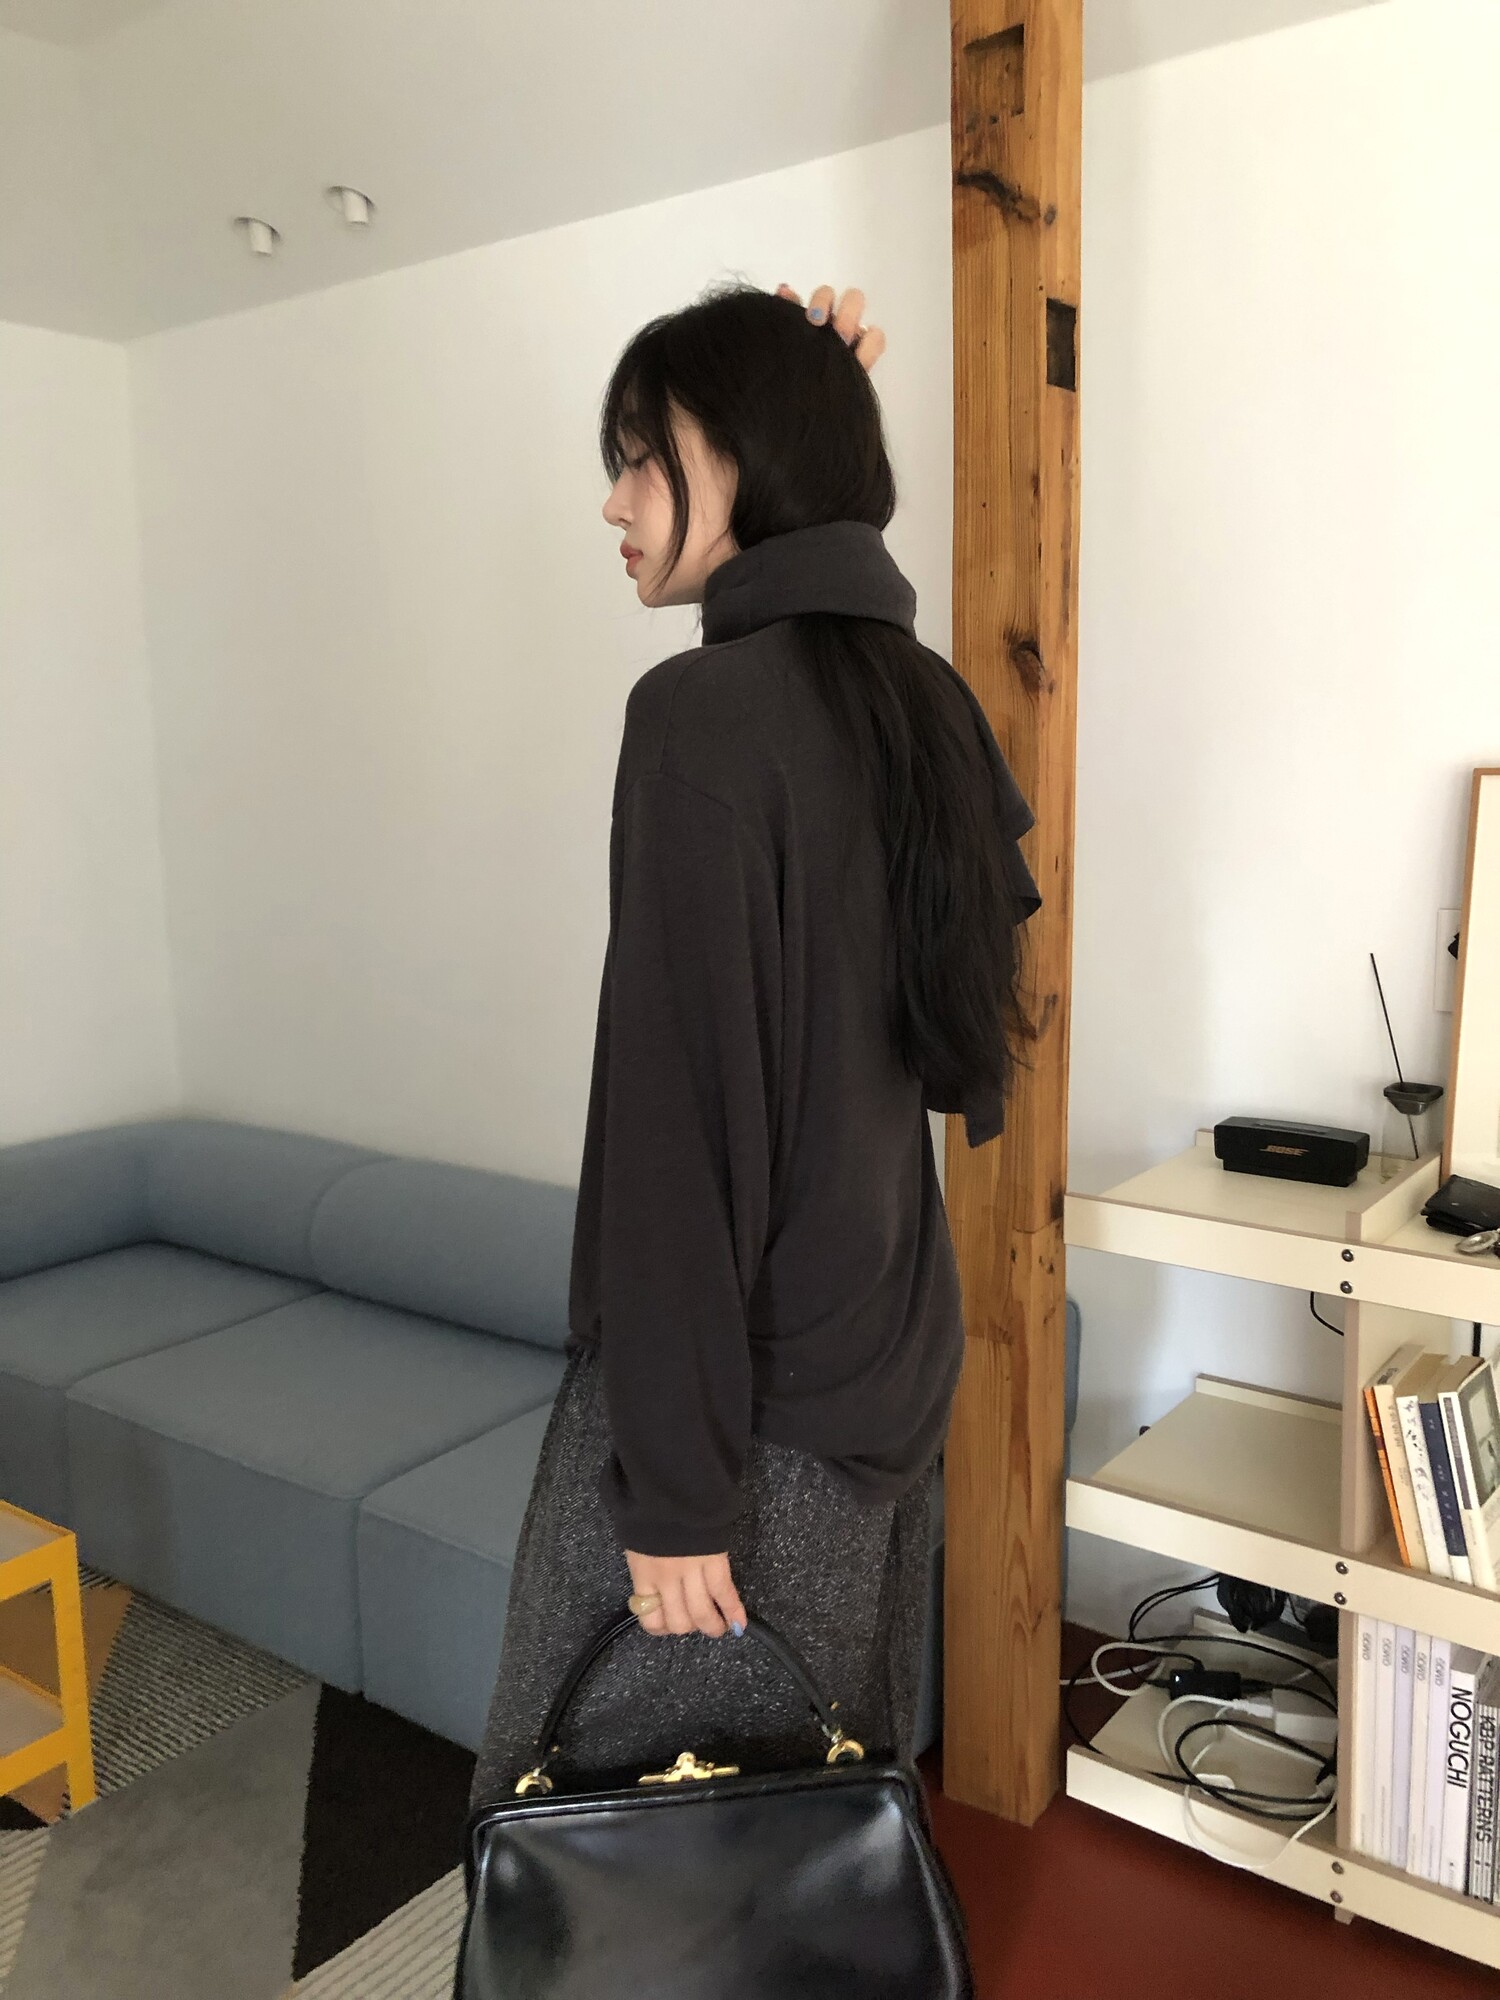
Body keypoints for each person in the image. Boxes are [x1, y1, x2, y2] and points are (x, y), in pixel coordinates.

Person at [467, 277, 1042, 1810]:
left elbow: (676, 1131)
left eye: (640, 457)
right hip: (885, 1373)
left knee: (606, 1838)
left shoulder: (702, 717)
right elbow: (930, 1060)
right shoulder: (923, 703)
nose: (613, 502)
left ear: (740, 460)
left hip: (742, 1412)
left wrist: (675, 1491)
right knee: (819, 1812)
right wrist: (806, 405)